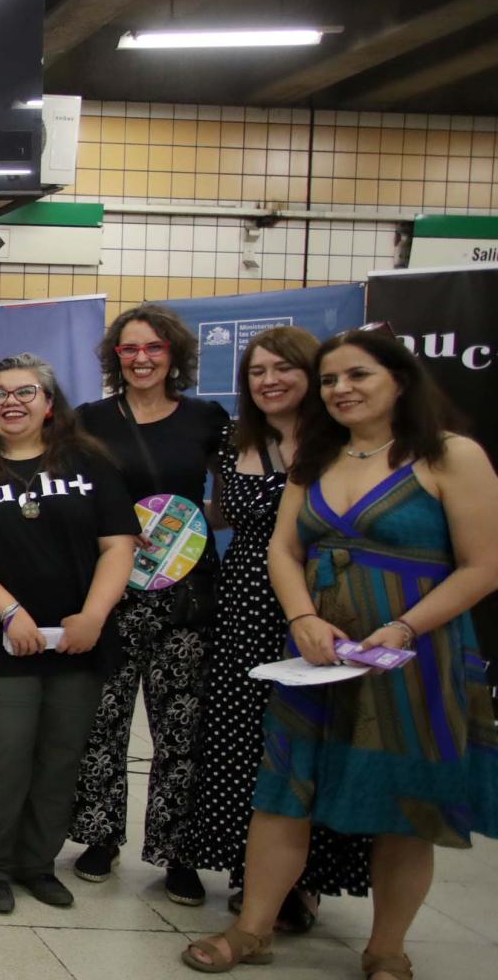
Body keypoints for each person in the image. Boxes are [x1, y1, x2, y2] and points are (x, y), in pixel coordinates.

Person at [182, 329, 498, 978]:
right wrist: (300, 614)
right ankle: (253, 929)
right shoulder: (319, 458)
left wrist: (406, 627)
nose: (340, 390)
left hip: (415, 653)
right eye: (330, 381)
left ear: (400, 381)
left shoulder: (449, 456)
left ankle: (387, 948)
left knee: (403, 804)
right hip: (320, 652)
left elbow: (483, 565)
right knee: (282, 790)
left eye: (357, 376)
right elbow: (284, 549)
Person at [182, 326, 373, 930]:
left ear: (311, 376)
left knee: (311, 742)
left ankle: (307, 882)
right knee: (244, 739)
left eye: (283, 369)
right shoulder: (236, 440)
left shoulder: (340, 443)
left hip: (321, 605)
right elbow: (217, 513)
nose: (269, 380)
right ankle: (252, 871)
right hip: (242, 605)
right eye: (257, 371)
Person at [0, 352, 138, 915]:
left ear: (49, 404)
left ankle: (38, 862)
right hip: (2, 639)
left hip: (81, 638)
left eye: (25, 393)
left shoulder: (89, 464)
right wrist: (8, 612)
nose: (11, 403)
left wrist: (94, 616)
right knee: (5, 751)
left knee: (60, 754)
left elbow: (119, 543)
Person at [69, 304, 230, 905]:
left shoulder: (206, 419)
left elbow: (225, 498)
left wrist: (184, 528)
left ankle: (178, 853)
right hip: (111, 590)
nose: (141, 359)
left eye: (154, 349)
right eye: (130, 348)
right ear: (114, 355)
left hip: (187, 593)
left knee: (181, 727)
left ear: (175, 356)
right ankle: (100, 837)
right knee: (103, 719)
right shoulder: (88, 422)